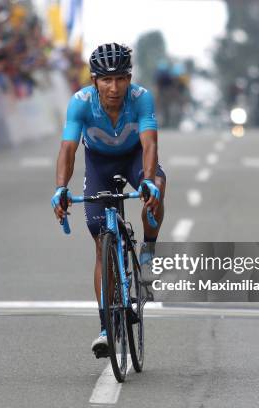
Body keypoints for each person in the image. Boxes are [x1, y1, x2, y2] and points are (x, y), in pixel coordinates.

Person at [51, 43, 166, 357]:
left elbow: (149, 144)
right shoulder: (80, 103)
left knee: (157, 182)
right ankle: (105, 328)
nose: (113, 87)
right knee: (102, 242)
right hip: (99, 164)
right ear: (93, 80)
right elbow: (68, 150)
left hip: (134, 158)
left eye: (120, 79)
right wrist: (61, 188)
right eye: (105, 80)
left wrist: (146, 181)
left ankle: (148, 253)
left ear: (129, 78)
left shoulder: (141, 99)